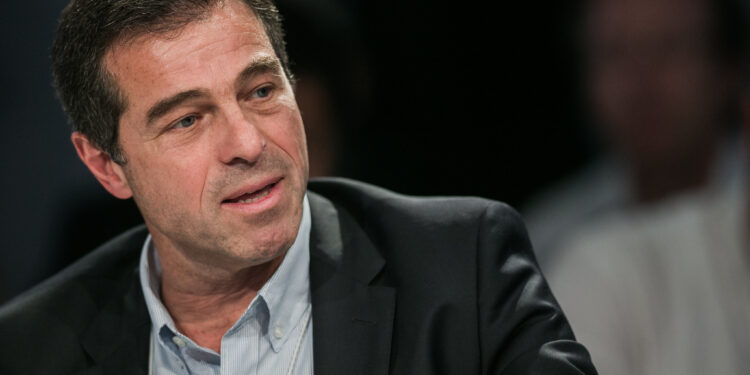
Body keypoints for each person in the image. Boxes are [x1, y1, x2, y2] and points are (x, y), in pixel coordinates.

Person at [0, 0, 596, 374]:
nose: (249, 143)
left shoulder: (461, 266)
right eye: (187, 119)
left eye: (260, 91)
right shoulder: (29, 349)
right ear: (108, 165)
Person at [523, 0, 746, 270]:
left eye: (669, 47)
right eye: (614, 53)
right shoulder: (547, 241)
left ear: (728, 72)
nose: (641, 83)